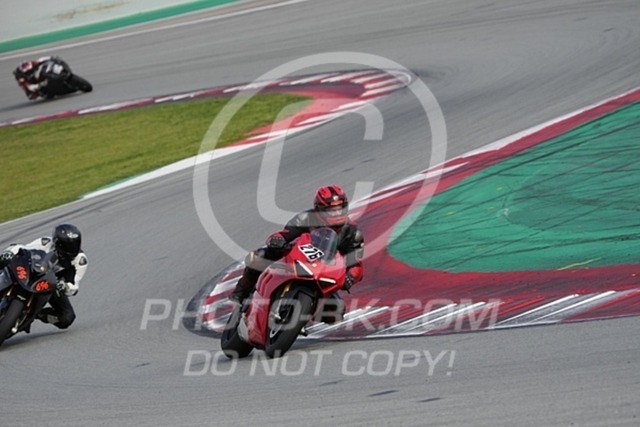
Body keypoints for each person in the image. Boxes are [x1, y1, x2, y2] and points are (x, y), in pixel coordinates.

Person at [229, 185, 365, 321]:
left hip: (325, 270)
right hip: (298, 256)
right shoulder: (306, 218)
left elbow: (356, 264)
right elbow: (286, 234)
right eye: (331, 211)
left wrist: (350, 277)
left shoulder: (353, 233)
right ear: (319, 209)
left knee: (336, 311)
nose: (337, 214)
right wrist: (278, 240)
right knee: (260, 257)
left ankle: (302, 319)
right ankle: (241, 293)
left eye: (340, 209)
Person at [0, 224, 87, 330]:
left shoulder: (80, 260)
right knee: (5, 262)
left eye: (74, 244)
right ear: (57, 242)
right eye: (66, 245)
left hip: (54, 285)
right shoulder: (45, 242)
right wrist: (9, 252)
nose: (71, 249)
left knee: (67, 317)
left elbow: (74, 287)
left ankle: (36, 314)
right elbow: (23, 248)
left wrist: (65, 286)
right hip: (34, 272)